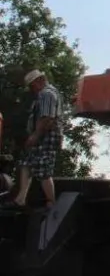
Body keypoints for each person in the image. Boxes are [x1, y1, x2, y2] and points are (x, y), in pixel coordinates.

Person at [6, 70, 62, 208]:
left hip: (46, 134)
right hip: (42, 133)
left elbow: (47, 117)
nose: (32, 89)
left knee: (43, 169)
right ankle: (21, 199)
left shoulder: (46, 94)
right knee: (26, 163)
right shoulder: (49, 93)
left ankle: (51, 201)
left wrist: (35, 135)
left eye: (32, 85)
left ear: (39, 81)